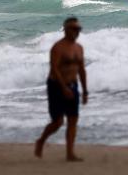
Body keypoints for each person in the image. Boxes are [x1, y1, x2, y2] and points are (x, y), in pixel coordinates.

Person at [35, 17, 88, 161]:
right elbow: (54, 68)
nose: (76, 32)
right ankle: (41, 141)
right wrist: (63, 88)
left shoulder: (79, 48)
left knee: (73, 119)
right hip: (56, 86)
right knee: (58, 122)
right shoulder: (58, 47)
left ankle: (70, 153)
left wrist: (85, 91)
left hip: (73, 85)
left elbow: (81, 70)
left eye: (78, 29)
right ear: (65, 29)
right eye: (73, 29)